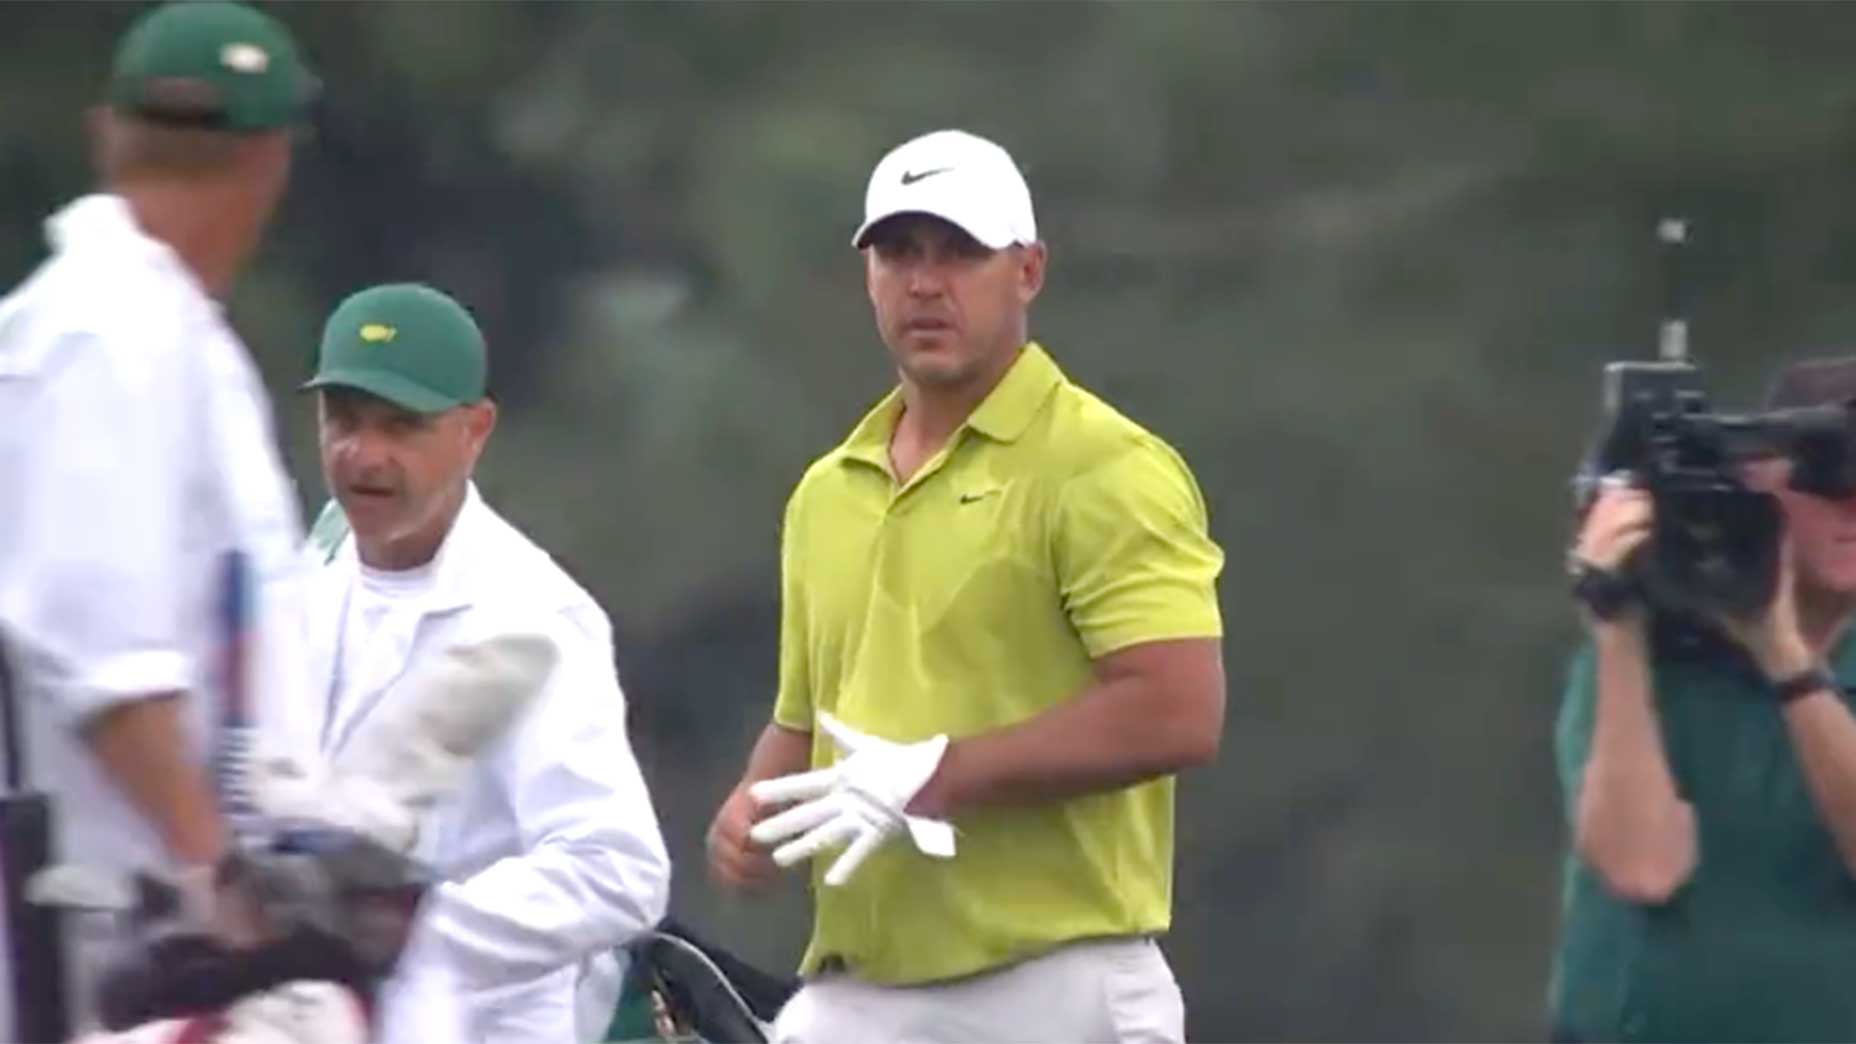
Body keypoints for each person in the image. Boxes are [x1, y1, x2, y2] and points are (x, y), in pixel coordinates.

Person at [704, 128, 1227, 1044]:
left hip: (1061, 989)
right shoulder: (828, 492)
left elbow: (1177, 711)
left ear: (1027, 271)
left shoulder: (1106, 466)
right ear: (867, 277)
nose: (925, 282)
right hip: (858, 994)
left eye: (961, 253)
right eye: (899, 253)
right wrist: (752, 808)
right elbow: (808, 721)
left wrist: (941, 775)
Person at [0, 2, 320, 1035]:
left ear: (108, 134)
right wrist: (213, 885)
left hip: (148, 932)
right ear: (270, 159)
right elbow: (109, 667)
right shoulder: (110, 332)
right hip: (112, 944)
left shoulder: (151, 326)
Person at [298, 282, 672, 1043]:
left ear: (476, 430)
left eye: (402, 425)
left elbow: (618, 869)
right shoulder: (325, 545)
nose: (363, 455)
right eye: (344, 419)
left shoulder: (534, 617)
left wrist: (410, 933)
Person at [1551, 356, 1856, 1043]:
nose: (1852, 512)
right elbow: (1642, 867)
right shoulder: (1658, 660)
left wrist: (1783, 654)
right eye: (1828, 484)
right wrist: (1618, 628)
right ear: (1760, 488)